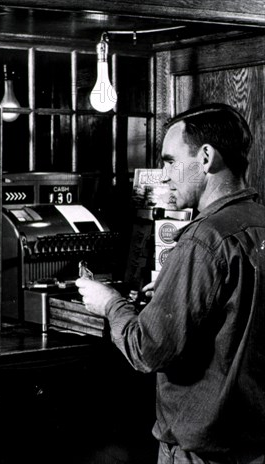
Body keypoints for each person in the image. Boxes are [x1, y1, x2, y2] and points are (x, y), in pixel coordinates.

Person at [76, 103, 265, 463]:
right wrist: (173, 291)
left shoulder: (204, 239)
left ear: (206, 158)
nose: (164, 175)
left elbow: (147, 350)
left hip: (204, 454)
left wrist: (109, 303)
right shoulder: (257, 223)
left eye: (169, 161)